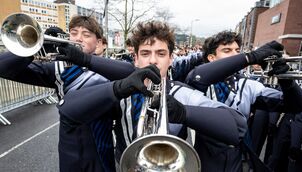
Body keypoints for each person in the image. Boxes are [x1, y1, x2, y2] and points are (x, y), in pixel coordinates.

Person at [56, 21, 249, 171]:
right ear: (136, 59)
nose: (154, 60)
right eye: (146, 53)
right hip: (128, 166)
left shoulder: (180, 92)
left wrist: (183, 112)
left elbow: (237, 127)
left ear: (171, 59)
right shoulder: (120, 90)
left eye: (161, 53)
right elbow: (68, 110)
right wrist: (118, 89)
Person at [0, 15, 133, 172]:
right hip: (71, 148)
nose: (78, 38)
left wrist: (85, 59)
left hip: (101, 146)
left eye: (86, 34)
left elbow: (130, 72)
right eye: (74, 32)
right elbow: (4, 68)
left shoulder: (110, 68)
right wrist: (38, 45)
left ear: (98, 42)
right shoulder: (58, 69)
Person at [185, 31, 302, 171]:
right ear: (211, 57)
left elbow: (297, 105)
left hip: (239, 160)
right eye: (227, 50)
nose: (236, 55)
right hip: (206, 160)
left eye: (237, 50)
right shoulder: (199, 80)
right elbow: (196, 78)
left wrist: (287, 82)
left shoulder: (247, 85)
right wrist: (250, 57)